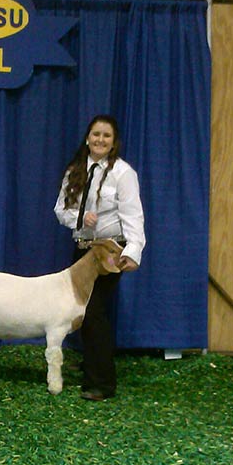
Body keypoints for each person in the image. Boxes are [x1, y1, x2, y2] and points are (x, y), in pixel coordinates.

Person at [53, 114, 146, 401]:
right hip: (82, 249)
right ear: (87, 138)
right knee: (80, 311)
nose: (100, 140)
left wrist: (132, 251)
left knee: (93, 312)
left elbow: (133, 216)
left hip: (107, 250)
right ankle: (90, 364)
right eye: (96, 134)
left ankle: (102, 382)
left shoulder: (123, 173)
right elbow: (61, 210)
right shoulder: (76, 170)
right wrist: (79, 218)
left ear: (114, 141)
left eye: (106, 136)